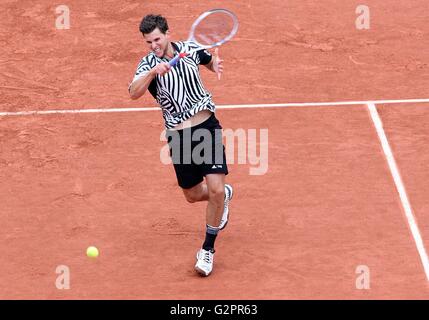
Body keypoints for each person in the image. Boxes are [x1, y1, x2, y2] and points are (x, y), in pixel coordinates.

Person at [128, 14, 233, 277]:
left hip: (206, 127)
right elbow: (133, 92)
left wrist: (215, 64)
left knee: (216, 189)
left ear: (167, 33)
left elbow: (208, 61)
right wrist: (154, 71)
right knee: (193, 195)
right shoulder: (147, 64)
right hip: (179, 136)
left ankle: (207, 249)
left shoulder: (190, 49)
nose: (154, 45)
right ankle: (221, 197)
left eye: (157, 39)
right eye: (148, 41)